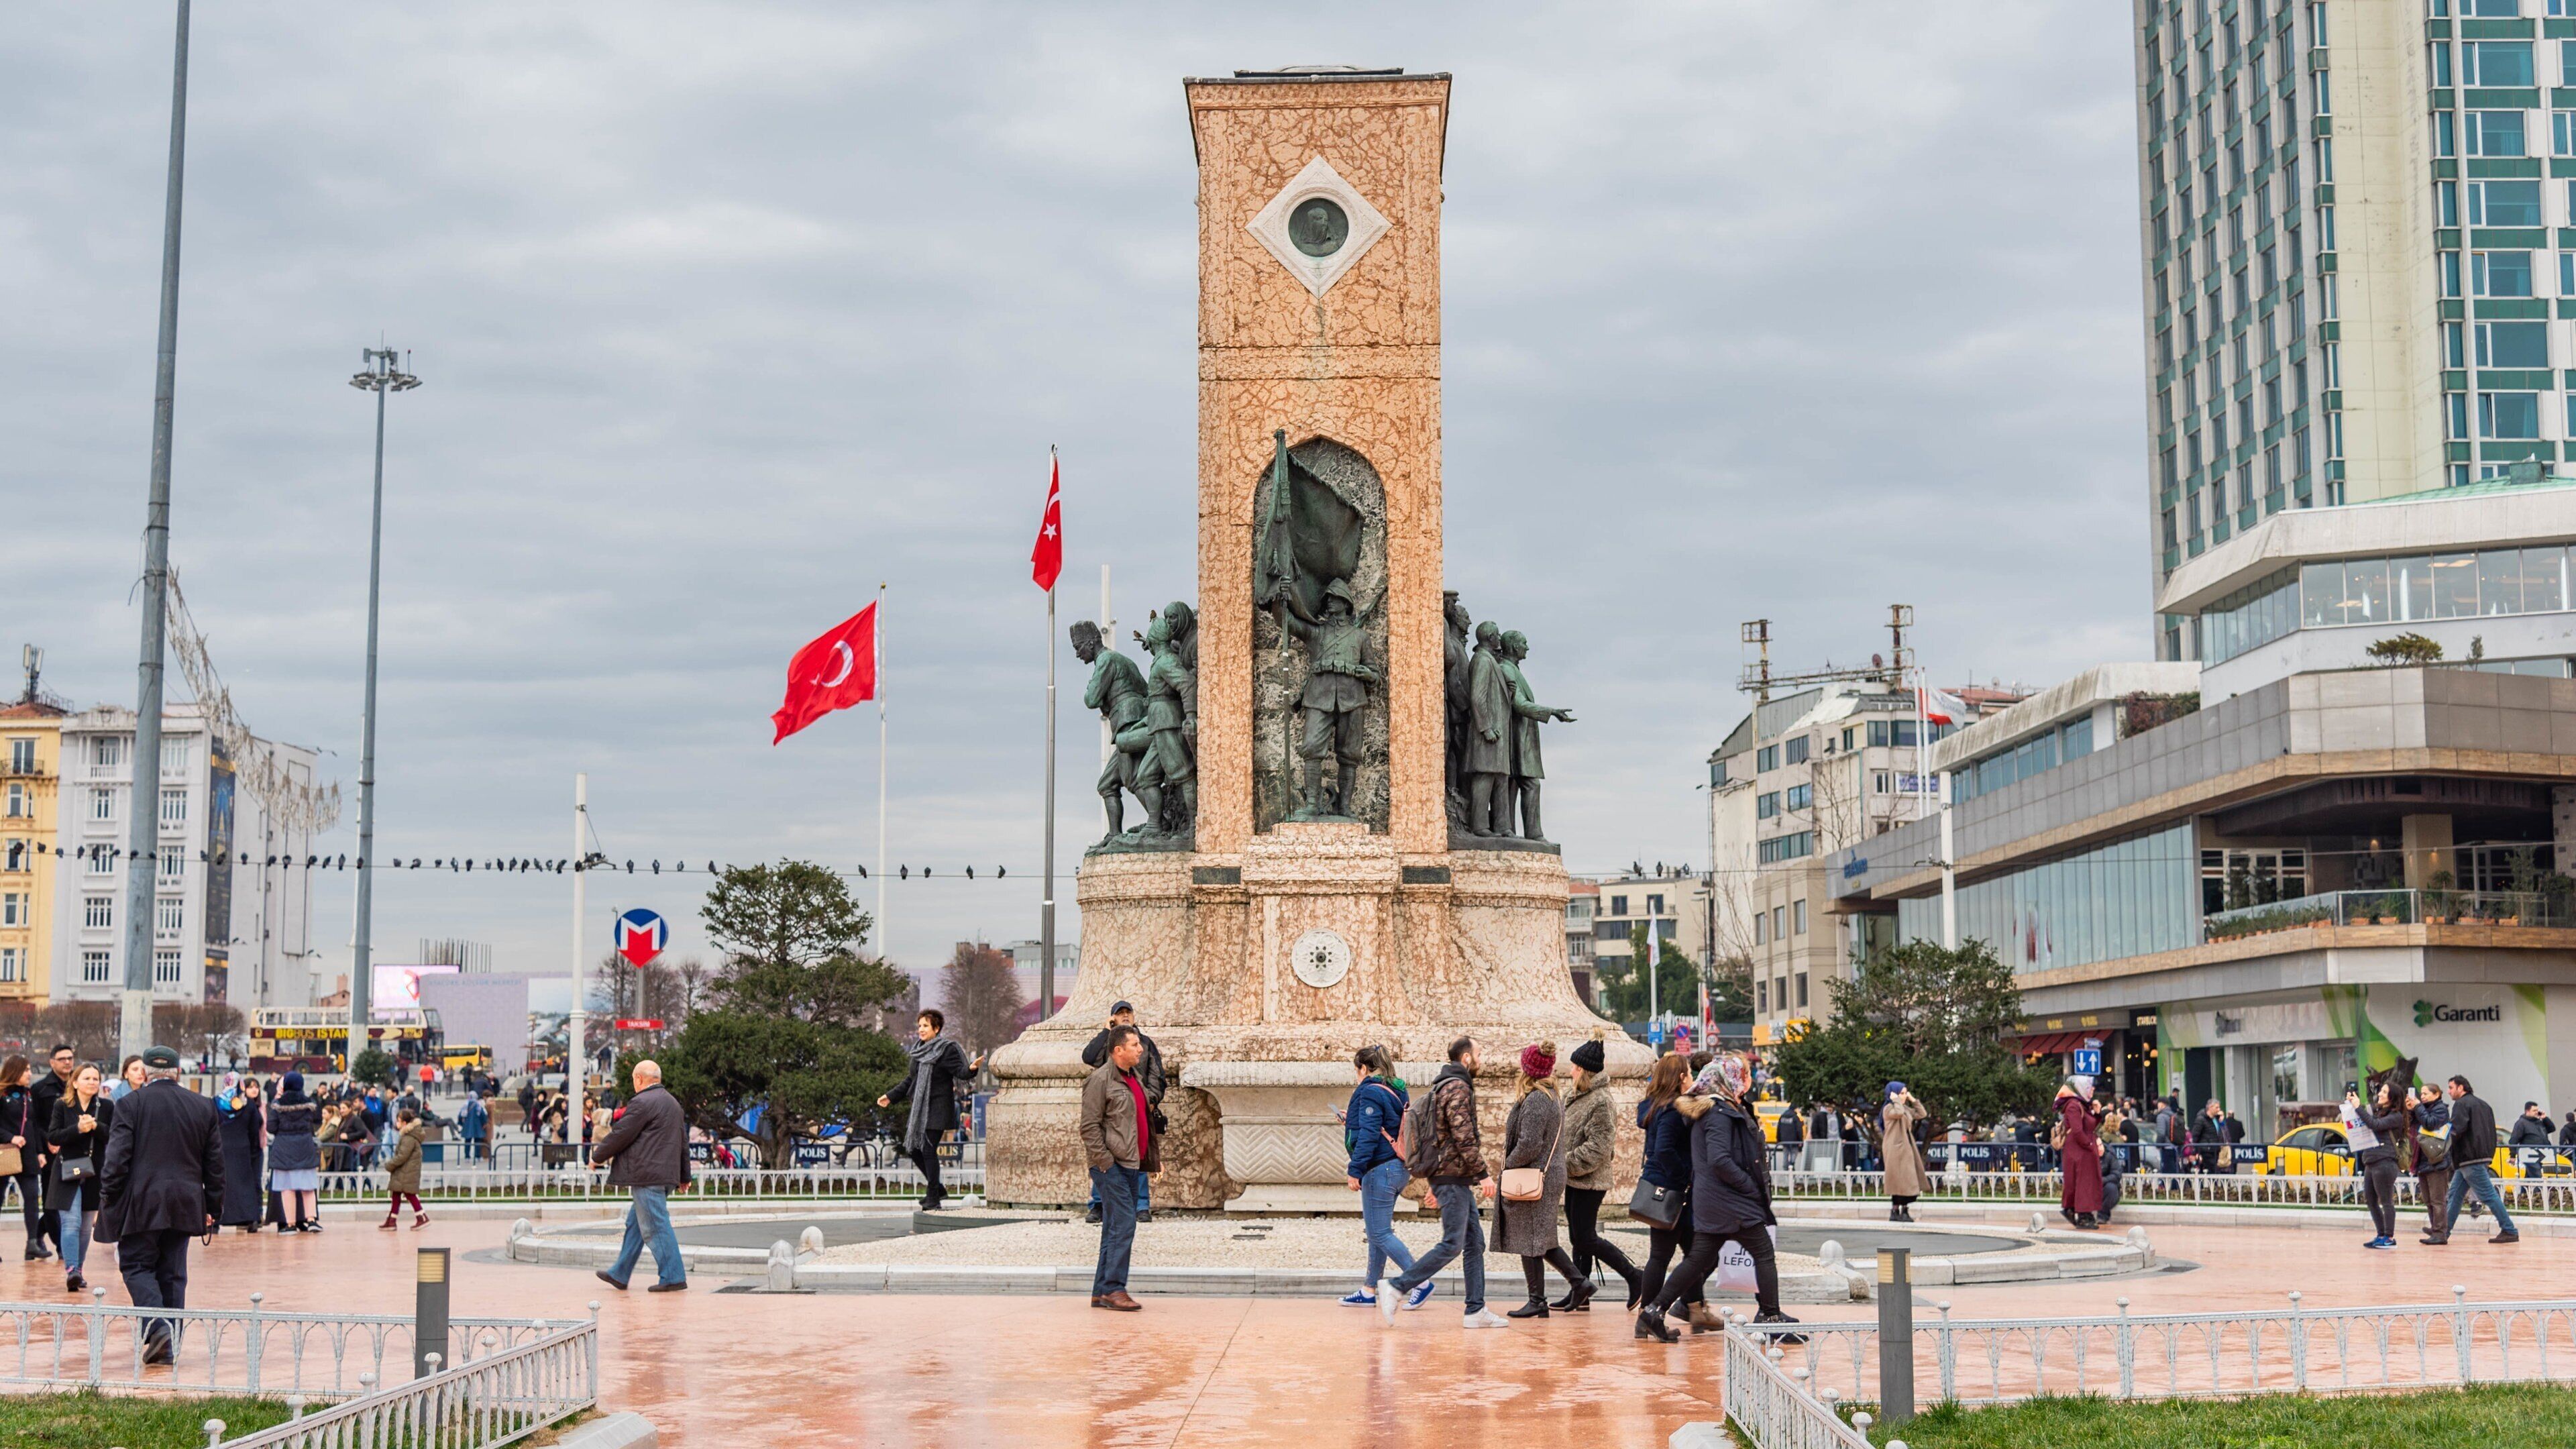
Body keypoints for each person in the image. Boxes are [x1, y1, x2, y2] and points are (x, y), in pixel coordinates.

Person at [1637, 1054, 1801, 1343]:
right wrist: (1749, 1186)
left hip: (1716, 1200)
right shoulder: (1718, 1113)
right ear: (1729, 1079)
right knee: (1763, 1253)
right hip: (1729, 1201)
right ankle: (1770, 1316)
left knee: (1698, 1258)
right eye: (1743, 1074)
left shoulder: (1717, 1109)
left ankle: (1653, 1310)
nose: (1747, 1079)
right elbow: (1719, 1159)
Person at [96, 1046, 222, 1364]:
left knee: (137, 1265)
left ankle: (158, 1329)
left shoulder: (130, 1104)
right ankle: (167, 1343)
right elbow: (216, 1164)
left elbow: (117, 1158)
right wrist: (214, 1208)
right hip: (187, 1201)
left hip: (142, 1201)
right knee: (173, 1272)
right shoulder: (203, 1106)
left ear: (146, 1073)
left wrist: (109, 1196)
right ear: (178, 1072)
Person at [1379, 1036, 1506, 1329]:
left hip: (1451, 1178)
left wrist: (1440, 1184)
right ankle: (1398, 1286)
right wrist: (1483, 1174)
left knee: (1474, 1242)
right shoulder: (1458, 1087)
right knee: (1453, 1243)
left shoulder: (1444, 1084)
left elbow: (1443, 1137)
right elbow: (1463, 1136)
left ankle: (1475, 1310)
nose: (1481, 1059)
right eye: (1479, 1054)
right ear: (1466, 1059)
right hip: (1453, 1178)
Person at [1496, 1042, 1585, 1319]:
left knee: (1530, 1238)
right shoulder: (1551, 1094)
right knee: (1538, 1237)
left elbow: (1530, 1144)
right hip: (1546, 1175)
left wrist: (1508, 1165)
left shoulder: (1536, 1098)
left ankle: (1538, 1300)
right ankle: (1579, 1283)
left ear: (1527, 1068)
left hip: (1534, 1176)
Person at [1338, 1045, 1430, 1311]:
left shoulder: (1368, 1090)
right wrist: (1351, 1120)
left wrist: (1355, 1170)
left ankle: (1419, 1282)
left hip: (1379, 1169)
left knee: (1379, 1232)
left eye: (1356, 1070)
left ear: (1363, 1069)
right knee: (1378, 1231)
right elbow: (1384, 1126)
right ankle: (1369, 1289)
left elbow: (1368, 1135)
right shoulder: (1397, 1088)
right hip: (1398, 1167)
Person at [590, 1059, 690, 1292]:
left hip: (648, 1176)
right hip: (663, 1176)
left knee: (655, 1226)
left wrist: (598, 1156)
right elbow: (682, 1143)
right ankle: (620, 1273)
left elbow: (621, 1134)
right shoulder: (673, 1103)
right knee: (635, 1224)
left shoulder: (643, 1102)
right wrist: (684, 1176)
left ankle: (673, 1276)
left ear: (639, 1079)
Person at [1078, 1024, 1157, 1312]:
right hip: (1110, 1166)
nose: (1141, 1049)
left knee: (1113, 1226)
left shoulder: (1133, 1077)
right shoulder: (1100, 1080)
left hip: (1131, 1164)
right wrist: (1105, 1163)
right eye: (1135, 1045)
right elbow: (1089, 1127)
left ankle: (1101, 1291)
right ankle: (1114, 1289)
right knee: (1124, 1223)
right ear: (1117, 1051)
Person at [1559, 1038, 1642, 1310]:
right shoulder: (1576, 1096)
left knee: (1585, 1237)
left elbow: (1598, 1147)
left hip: (1591, 1180)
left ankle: (1634, 1276)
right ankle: (1580, 1292)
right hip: (1573, 1176)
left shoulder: (1601, 1102)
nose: (1570, 1071)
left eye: (1574, 1067)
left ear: (1584, 1070)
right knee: (1577, 1237)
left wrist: (1565, 1162)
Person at [1633, 1053, 1713, 1329]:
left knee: (1694, 1254)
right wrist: (1684, 1178)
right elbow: (1664, 1150)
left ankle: (1695, 1310)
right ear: (1681, 1077)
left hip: (1671, 1188)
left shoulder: (1655, 1106)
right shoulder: (1669, 1110)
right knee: (1662, 1257)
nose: (1692, 1078)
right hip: (1673, 1191)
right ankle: (1648, 1315)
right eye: (1689, 1074)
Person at [879, 1009, 973, 1212]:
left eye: (925, 1026)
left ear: (936, 1029)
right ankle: (937, 1188)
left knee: (928, 1150)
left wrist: (972, 1069)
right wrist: (890, 1096)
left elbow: (961, 1072)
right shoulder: (918, 1052)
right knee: (912, 1149)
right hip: (921, 1110)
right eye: (920, 1025)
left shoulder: (946, 1049)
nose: (921, 1029)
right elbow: (911, 1080)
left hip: (938, 1108)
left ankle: (933, 1199)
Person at [1081, 1002, 1165, 1225]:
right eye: (1120, 1014)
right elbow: (1089, 1058)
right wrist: (1106, 1032)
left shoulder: (1145, 1044)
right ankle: (1098, 1204)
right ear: (1112, 1019)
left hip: (1140, 1108)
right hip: (1114, 1111)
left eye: (1128, 1012)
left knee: (1139, 1154)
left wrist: (1151, 1101)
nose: (1125, 1016)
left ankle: (1141, 1206)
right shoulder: (1108, 1046)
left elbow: (1157, 1075)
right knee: (1109, 1153)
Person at [46, 1063, 111, 1294]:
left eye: (96, 1078)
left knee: (85, 1227)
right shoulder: (62, 1106)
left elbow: (113, 1135)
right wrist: (78, 1129)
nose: (92, 1082)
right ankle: (71, 1269)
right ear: (75, 1082)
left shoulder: (106, 1106)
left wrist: (96, 1127)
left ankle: (79, 1271)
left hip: (94, 1172)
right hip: (67, 1172)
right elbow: (54, 1135)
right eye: (87, 1078)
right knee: (70, 1222)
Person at [2437, 1075, 2517, 1244]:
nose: (2449, 1092)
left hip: (2468, 1158)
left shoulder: (2461, 1104)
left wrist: (2441, 1144)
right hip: (2479, 1157)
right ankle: (2443, 1232)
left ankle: (2509, 1229)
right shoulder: (2484, 1105)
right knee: (2455, 1195)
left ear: (2461, 1088)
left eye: (2451, 1088)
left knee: (2488, 1195)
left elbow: (2456, 1129)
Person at [27, 1043, 76, 1259]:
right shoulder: (40, 1089)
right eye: (63, 1058)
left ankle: (37, 1235)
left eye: (70, 1058)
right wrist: (47, 1141)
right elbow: (33, 1122)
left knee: (72, 1199)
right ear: (52, 1062)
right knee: (51, 1200)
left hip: (75, 1149)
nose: (67, 1062)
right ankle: (61, 1247)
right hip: (51, 1152)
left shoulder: (78, 1084)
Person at [2347, 1081, 2406, 1250]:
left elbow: (2375, 1125)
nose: (2380, 1094)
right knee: (2371, 1200)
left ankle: (2389, 1237)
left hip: (2385, 1162)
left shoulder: (2396, 1117)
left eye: (2384, 1092)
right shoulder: (2379, 1112)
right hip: (2371, 1161)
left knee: (2386, 1200)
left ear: (2392, 1097)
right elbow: (2367, 1114)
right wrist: (2354, 1103)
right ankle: (2381, 1234)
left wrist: (2359, 1107)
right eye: (2380, 1091)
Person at [266, 1072, 323, 1233]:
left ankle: (290, 1224)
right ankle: (311, 1220)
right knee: (308, 1187)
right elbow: (316, 1121)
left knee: (287, 1188)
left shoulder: (278, 1104)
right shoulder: (309, 1103)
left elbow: (271, 1127)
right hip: (305, 1147)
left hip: (284, 1148)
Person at [213, 1075, 266, 1233]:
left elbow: (211, 1126)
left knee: (222, 1185)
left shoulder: (216, 1103)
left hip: (222, 1148)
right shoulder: (248, 1104)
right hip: (243, 1148)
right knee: (245, 1185)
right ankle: (250, 1218)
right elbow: (254, 1128)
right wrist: (254, 1149)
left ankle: (216, 1220)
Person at [1, 1056, 38, 1258]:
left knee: (32, 1198)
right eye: (26, 1070)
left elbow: (34, 1124)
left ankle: (32, 1243)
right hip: (5, 1154)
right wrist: (10, 1137)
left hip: (27, 1155)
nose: (29, 1074)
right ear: (15, 1071)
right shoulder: (1, 1094)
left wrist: (39, 1152)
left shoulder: (28, 1095)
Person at [2055, 1076, 2103, 1229]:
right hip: (2079, 1151)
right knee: (2084, 1182)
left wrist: (2096, 1113)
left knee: (2086, 1182)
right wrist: (2089, 1145)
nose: (2093, 1089)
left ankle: (2082, 1212)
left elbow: (2090, 1126)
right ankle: (2083, 1215)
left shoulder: (2083, 1105)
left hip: (2083, 1149)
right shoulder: (2073, 1106)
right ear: (2081, 1088)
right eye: (2089, 1086)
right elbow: (2077, 1131)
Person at [1880, 1082, 1926, 1222]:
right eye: (1902, 1093)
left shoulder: (1905, 1108)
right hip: (1894, 1148)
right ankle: (1895, 1210)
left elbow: (1922, 1114)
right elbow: (1898, 1114)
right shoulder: (1888, 1109)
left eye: (1906, 1093)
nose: (1905, 1096)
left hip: (1906, 1147)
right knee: (1897, 1180)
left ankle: (1905, 1209)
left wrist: (1914, 1100)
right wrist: (1895, 1100)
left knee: (1907, 1180)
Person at [380, 1107, 427, 1230]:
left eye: (399, 1120)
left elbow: (402, 1156)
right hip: (404, 1171)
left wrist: (390, 1165)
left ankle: (422, 1217)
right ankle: (392, 1220)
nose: (397, 1123)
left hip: (406, 1171)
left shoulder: (409, 1138)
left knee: (409, 1194)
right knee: (396, 1195)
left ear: (405, 1123)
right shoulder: (408, 1136)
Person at [2508, 1100, 2555, 1174]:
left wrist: (2545, 1118)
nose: (2536, 1112)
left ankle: (2524, 1186)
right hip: (2530, 1155)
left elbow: (2552, 1128)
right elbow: (2514, 1139)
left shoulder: (2539, 1122)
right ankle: (2535, 1186)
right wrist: (2513, 1155)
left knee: (2531, 1179)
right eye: (2534, 1110)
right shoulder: (2521, 1123)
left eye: (2537, 1110)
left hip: (2543, 1154)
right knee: (2537, 1177)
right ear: (2527, 1111)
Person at [459, 1091, 489, 1164]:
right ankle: (478, 1157)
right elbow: (483, 1115)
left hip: (467, 1126)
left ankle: (467, 1157)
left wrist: (461, 1124)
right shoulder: (478, 1105)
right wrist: (484, 1123)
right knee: (478, 1142)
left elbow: (460, 1116)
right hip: (477, 1126)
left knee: (467, 1142)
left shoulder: (465, 1105)